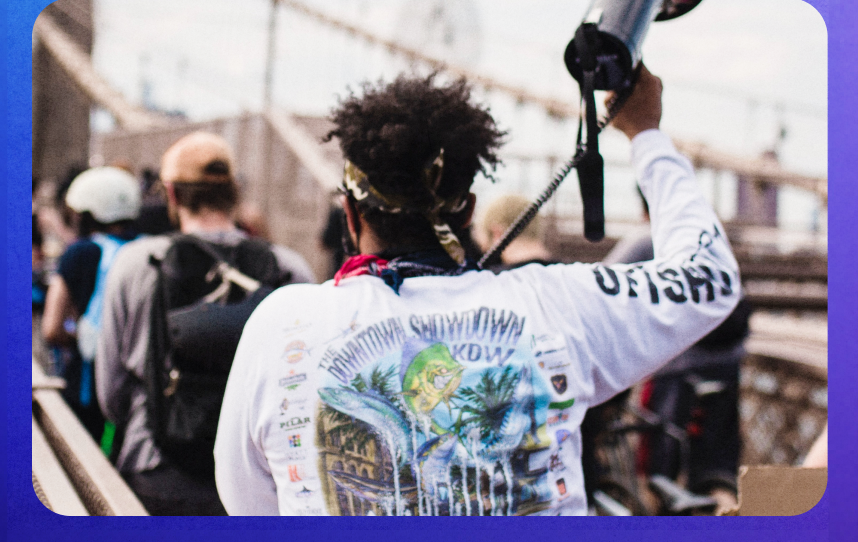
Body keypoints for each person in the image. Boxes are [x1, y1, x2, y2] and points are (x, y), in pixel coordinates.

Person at [214, 68, 741, 516]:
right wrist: (645, 132)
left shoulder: (281, 325)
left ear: (350, 215)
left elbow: (248, 501)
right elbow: (708, 276)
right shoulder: (553, 304)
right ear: (467, 210)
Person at [96, 131, 317, 516]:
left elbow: (110, 391)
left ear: (172, 194)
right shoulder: (288, 267)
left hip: (156, 467)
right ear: (234, 193)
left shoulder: (136, 264)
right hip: (258, 485)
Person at [602, 187, 749, 514]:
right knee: (716, 473)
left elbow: (596, 298)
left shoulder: (646, 238)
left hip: (675, 373)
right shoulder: (708, 241)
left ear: (645, 209)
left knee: (659, 473)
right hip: (727, 367)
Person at [41, 166, 142, 442]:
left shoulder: (81, 252)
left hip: (88, 387)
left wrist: (86, 336)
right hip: (138, 391)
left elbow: (52, 328)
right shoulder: (149, 249)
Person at [476, 193, 554, 270]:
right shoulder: (563, 274)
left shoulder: (493, 279)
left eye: (485, 247)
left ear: (497, 233)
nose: (484, 250)